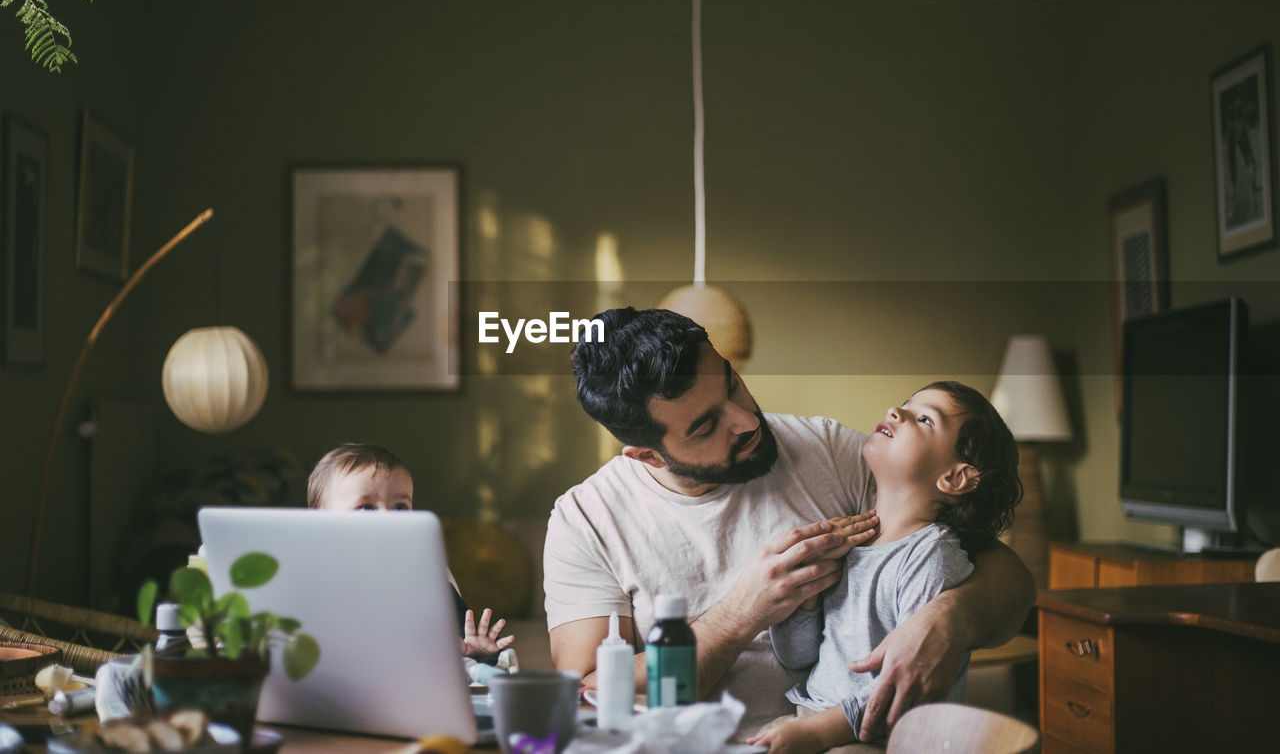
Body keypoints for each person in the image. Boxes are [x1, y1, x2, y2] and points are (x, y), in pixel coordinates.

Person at [545, 308, 1035, 739]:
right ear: (649, 455)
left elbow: (1000, 574)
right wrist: (743, 613)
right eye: (707, 425)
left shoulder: (831, 451)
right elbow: (588, 691)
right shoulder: (585, 520)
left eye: (732, 383)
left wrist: (950, 619)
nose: (746, 420)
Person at [747, 382, 1021, 752]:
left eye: (924, 419)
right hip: (811, 717)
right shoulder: (853, 542)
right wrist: (807, 600)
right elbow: (799, 658)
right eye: (906, 405)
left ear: (955, 478)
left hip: (883, 737)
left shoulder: (930, 557)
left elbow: (908, 688)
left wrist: (817, 733)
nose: (896, 411)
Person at [308, 443, 515, 662]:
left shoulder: (429, 578)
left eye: (399, 507)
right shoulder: (310, 581)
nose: (387, 518)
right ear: (320, 521)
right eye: (366, 507)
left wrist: (478, 653)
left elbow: (463, 651)